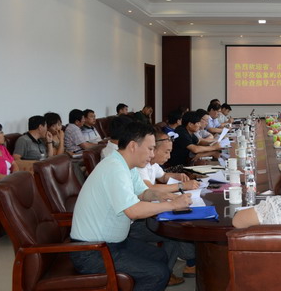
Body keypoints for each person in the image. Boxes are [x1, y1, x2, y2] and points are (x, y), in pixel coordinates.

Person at [70, 122, 191, 291]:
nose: (152, 154)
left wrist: (163, 196)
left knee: (159, 256)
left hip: (113, 243)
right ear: (133, 146)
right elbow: (133, 211)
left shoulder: (127, 166)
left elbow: (143, 193)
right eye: (150, 149)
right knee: (157, 273)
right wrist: (171, 205)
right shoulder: (114, 168)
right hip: (92, 251)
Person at [133, 129, 199, 284]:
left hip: (147, 211)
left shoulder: (152, 164)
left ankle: (191, 262)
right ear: (153, 149)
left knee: (180, 219)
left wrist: (177, 177)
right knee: (174, 232)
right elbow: (149, 188)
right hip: (136, 221)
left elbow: (162, 176)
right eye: (166, 152)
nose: (169, 156)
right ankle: (173, 271)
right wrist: (181, 186)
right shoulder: (139, 166)